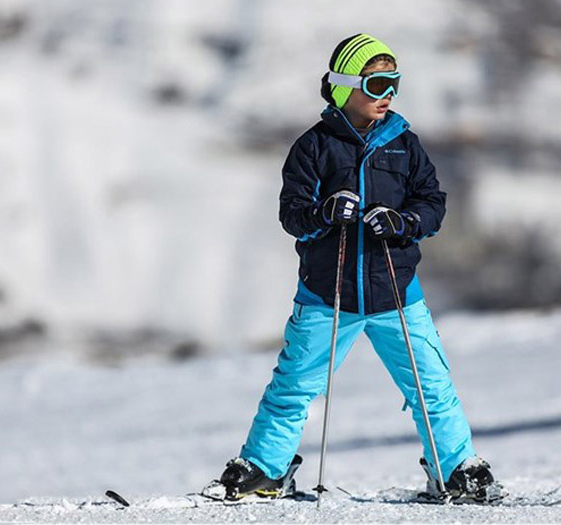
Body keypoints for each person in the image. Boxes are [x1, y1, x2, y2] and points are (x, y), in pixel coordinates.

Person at [204, 33, 506, 504]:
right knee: (293, 387)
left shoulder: (405, 144)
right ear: (345, 87)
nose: (388, 95)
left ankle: (454, 471)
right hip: (329, 296)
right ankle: (265, 468)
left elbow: (432, 204)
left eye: (395, 84)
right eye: (379, 83)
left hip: (396, 296)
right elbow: (292, 214)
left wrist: (404, 222)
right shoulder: (314, 147)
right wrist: (325, 213)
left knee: (430, 386)